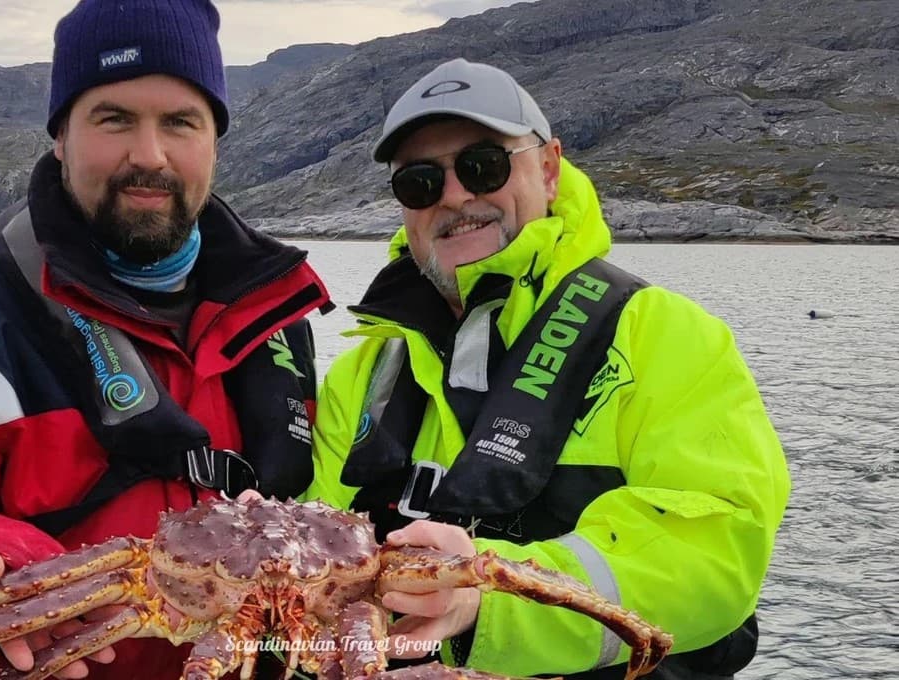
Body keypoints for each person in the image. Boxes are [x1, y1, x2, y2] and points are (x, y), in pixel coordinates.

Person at [0, 1, 331, 678]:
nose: (149, 155)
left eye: (180, 122)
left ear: (214, 140)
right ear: (60, 138)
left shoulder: (279, 320)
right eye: (114, 119)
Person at [306, 58, 791, 679]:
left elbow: (717, 551)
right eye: (420, 182)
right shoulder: (364, 374)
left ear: (550, 168)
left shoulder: (664, 334)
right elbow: (312, 558)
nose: (455, 196)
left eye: (484, 165)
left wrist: (485, 601)